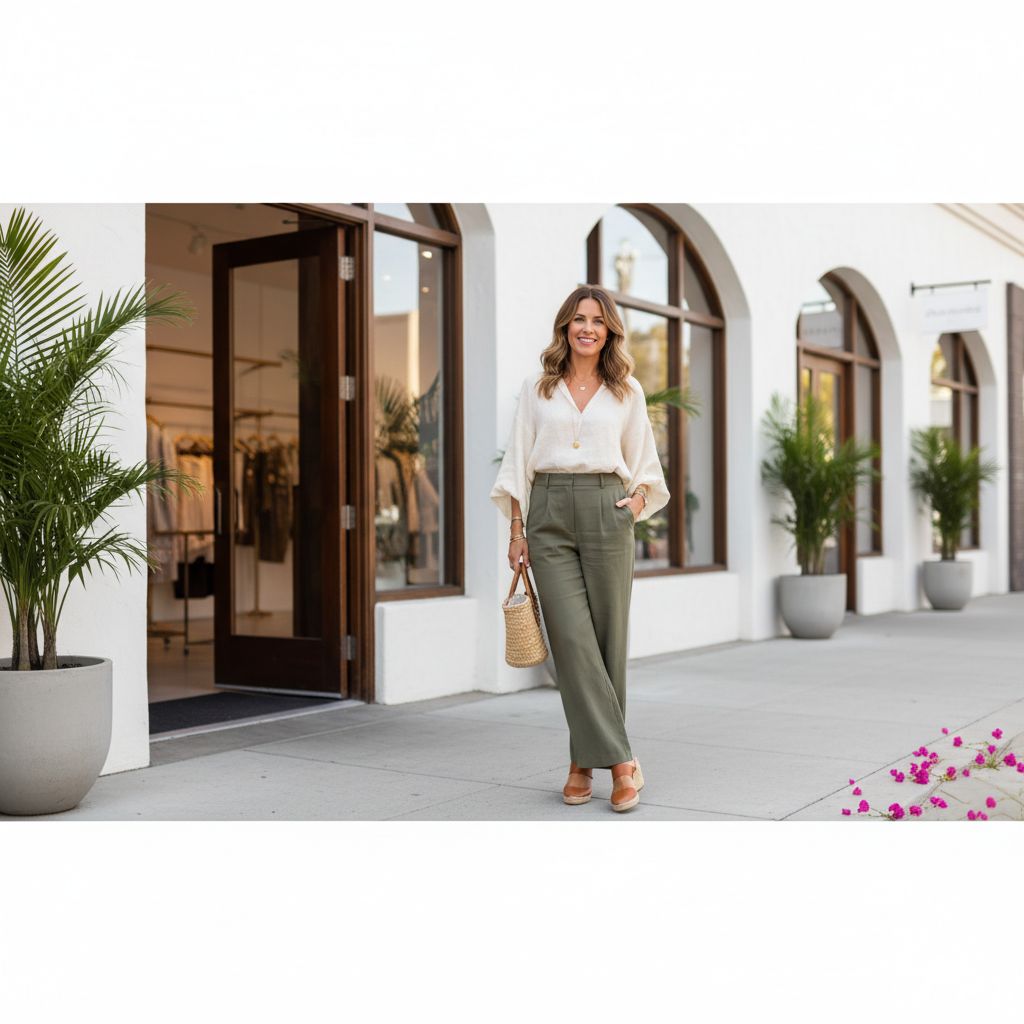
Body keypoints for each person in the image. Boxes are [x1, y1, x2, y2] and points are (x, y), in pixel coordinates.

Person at [490, 285, 670, 812]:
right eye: (578, 319)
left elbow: (645, 465)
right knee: (571, 643)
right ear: (565, 327)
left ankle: (580, 764)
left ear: (609, 330)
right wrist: (517, 531)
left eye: (597, 320)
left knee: (608, 641)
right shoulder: (538, 388)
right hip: (547, 512)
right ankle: (622, 762)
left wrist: (634, 505)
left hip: (606, 508)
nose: (587, 328)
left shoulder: (627, 391)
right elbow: (518, 460)